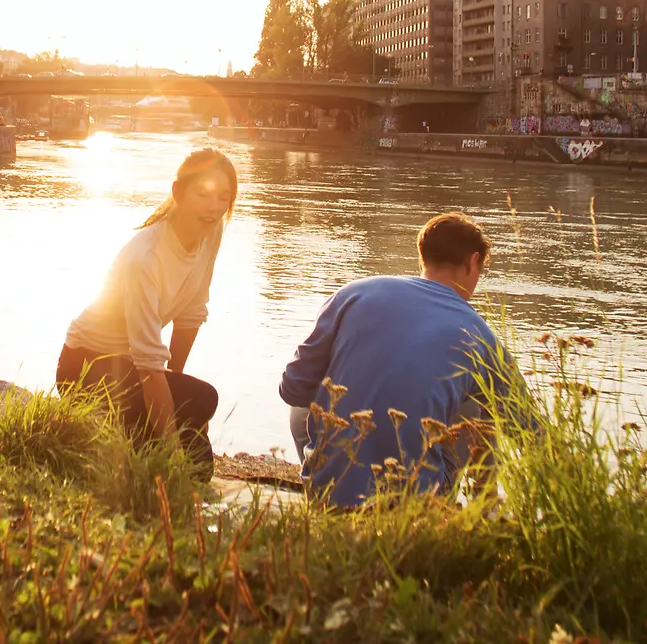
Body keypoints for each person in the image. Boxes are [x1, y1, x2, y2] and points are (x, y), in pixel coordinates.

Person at [279, 212, 532, 508]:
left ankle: (331, 487)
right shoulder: (479, 334)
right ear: (472, 261)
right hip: (415, 505)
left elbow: (292, 389)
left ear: (422, 256)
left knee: (301, 410)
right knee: (477, 403)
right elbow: (528, 430)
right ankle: (481, 505)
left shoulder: (353, 293)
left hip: (330, 493)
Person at [56, 149, 238, 479]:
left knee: (199, 446)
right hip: (85, 368)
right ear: (178, 192)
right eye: (204, 194)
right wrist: (169, 454)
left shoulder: (211, 231)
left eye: (224, 197)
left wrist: (176, 382)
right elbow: (149, 366)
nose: (214, 207)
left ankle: (142, 438)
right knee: (202, 401)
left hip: (129, 367)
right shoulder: (146, 258)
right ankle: (139, 443)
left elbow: (192, 312)